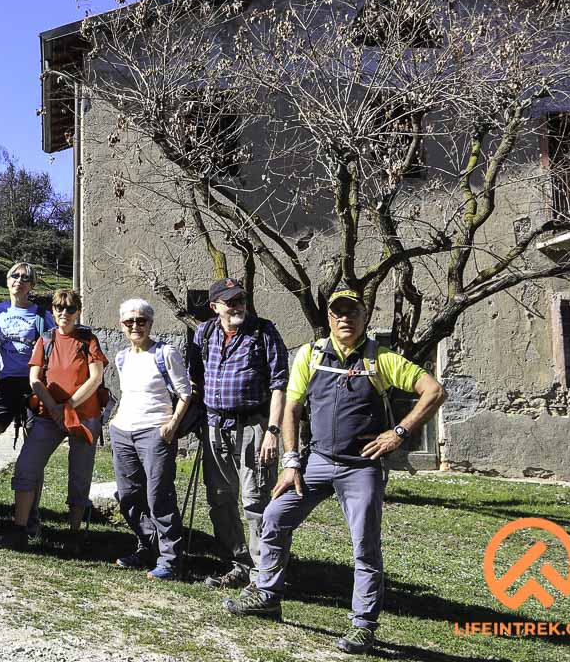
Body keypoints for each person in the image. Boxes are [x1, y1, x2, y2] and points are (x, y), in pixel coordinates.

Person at [223, 289, 446, 655]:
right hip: (317, 462)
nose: (345, 318)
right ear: (329, 318)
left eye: (352, 311)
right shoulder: (310, 355)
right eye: (337, 312)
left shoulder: (381, 359)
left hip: (361, 469)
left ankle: (363, 626)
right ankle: (267, 593)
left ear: (364, 316)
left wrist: (399, 434)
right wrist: (291, 461)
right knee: (275, 517)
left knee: (365, 545)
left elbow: (433, 391)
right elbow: (292, 407)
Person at [188, 277, 289, 588]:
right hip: (215, 426)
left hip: (254, 426)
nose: (237, 306)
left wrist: (273, 431)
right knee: (219, 499)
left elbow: (279, 385)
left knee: (256, 501)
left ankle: (264, 575)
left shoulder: (263, 332)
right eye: (229, 301)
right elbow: (193, 378)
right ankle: (238, 563)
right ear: (215, 306)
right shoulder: (203, 334)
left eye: (240, 300)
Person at [0, 289, 107, 551]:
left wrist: (68, 405)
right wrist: (54, 407)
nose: (64, 313)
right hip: (48, 416)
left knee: (80, 473)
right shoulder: (45, 340)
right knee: (27, 466)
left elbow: (96, 378)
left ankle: (73, 534)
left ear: (78, 311)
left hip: (83, 416)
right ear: (53, 311)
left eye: (70, 309)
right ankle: (20, 528)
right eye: (59, 308)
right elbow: (35, 378)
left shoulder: (88, 340)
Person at [0, 262, 54, 530]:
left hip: (33, 386)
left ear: (32, 285)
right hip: (6, 386)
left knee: (33, 452)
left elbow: (51, 349)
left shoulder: (42, 315)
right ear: (7, 281)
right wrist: (6, 364)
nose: (19, 280)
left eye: (26, 278)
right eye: (14, 276)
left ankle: (31, 514)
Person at [110, 298, 193, 580]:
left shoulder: (165, 353)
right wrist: (115, 420)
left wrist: (171, 425)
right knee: (128, 496)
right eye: (129, 321)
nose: (135, 326)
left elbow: (185, 393)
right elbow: (129, 393)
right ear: (121, 325)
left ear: (150, 323)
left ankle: (170, 560)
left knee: (158, 497)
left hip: (155, 433)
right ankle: (147, 547)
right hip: (123, 432)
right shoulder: (122, 357)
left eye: (141, 320)